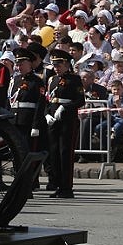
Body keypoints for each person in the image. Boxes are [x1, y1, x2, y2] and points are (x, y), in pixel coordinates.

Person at [44, 48, 84, 198]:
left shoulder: (74, 79)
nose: (56, 67)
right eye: (54, 64)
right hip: (53, 120)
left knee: (65, 154)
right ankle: (57, 184)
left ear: (67, 64)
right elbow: (47, 100)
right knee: (54, 153)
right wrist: (47, 114)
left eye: (59, 64)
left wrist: (64, 107)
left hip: (68, 120)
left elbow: (80, 100)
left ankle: (67, 187)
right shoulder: (51, 80)